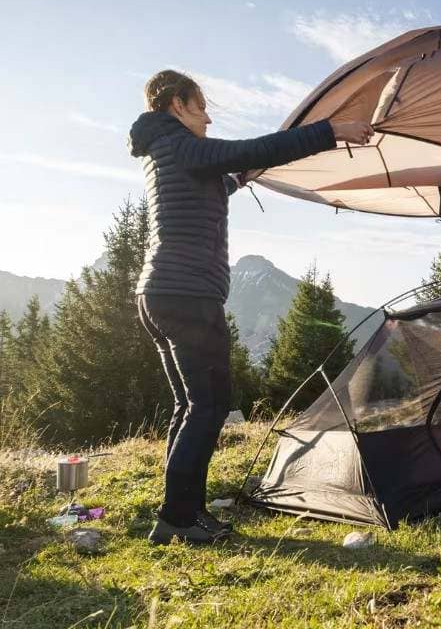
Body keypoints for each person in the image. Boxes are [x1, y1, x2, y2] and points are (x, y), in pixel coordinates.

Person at [128, 69, 373, 545]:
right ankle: (179, 518)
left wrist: (241, 179)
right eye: (200, 106)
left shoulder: (166, 151)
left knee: (190, 404)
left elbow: (215, 182)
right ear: (177, 104)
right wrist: (331, 132)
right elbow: (251, 148)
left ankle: (181, 512)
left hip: (161, 293)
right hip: (187, 295)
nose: (208, 117)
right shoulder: (179, 143)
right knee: (209, 403)